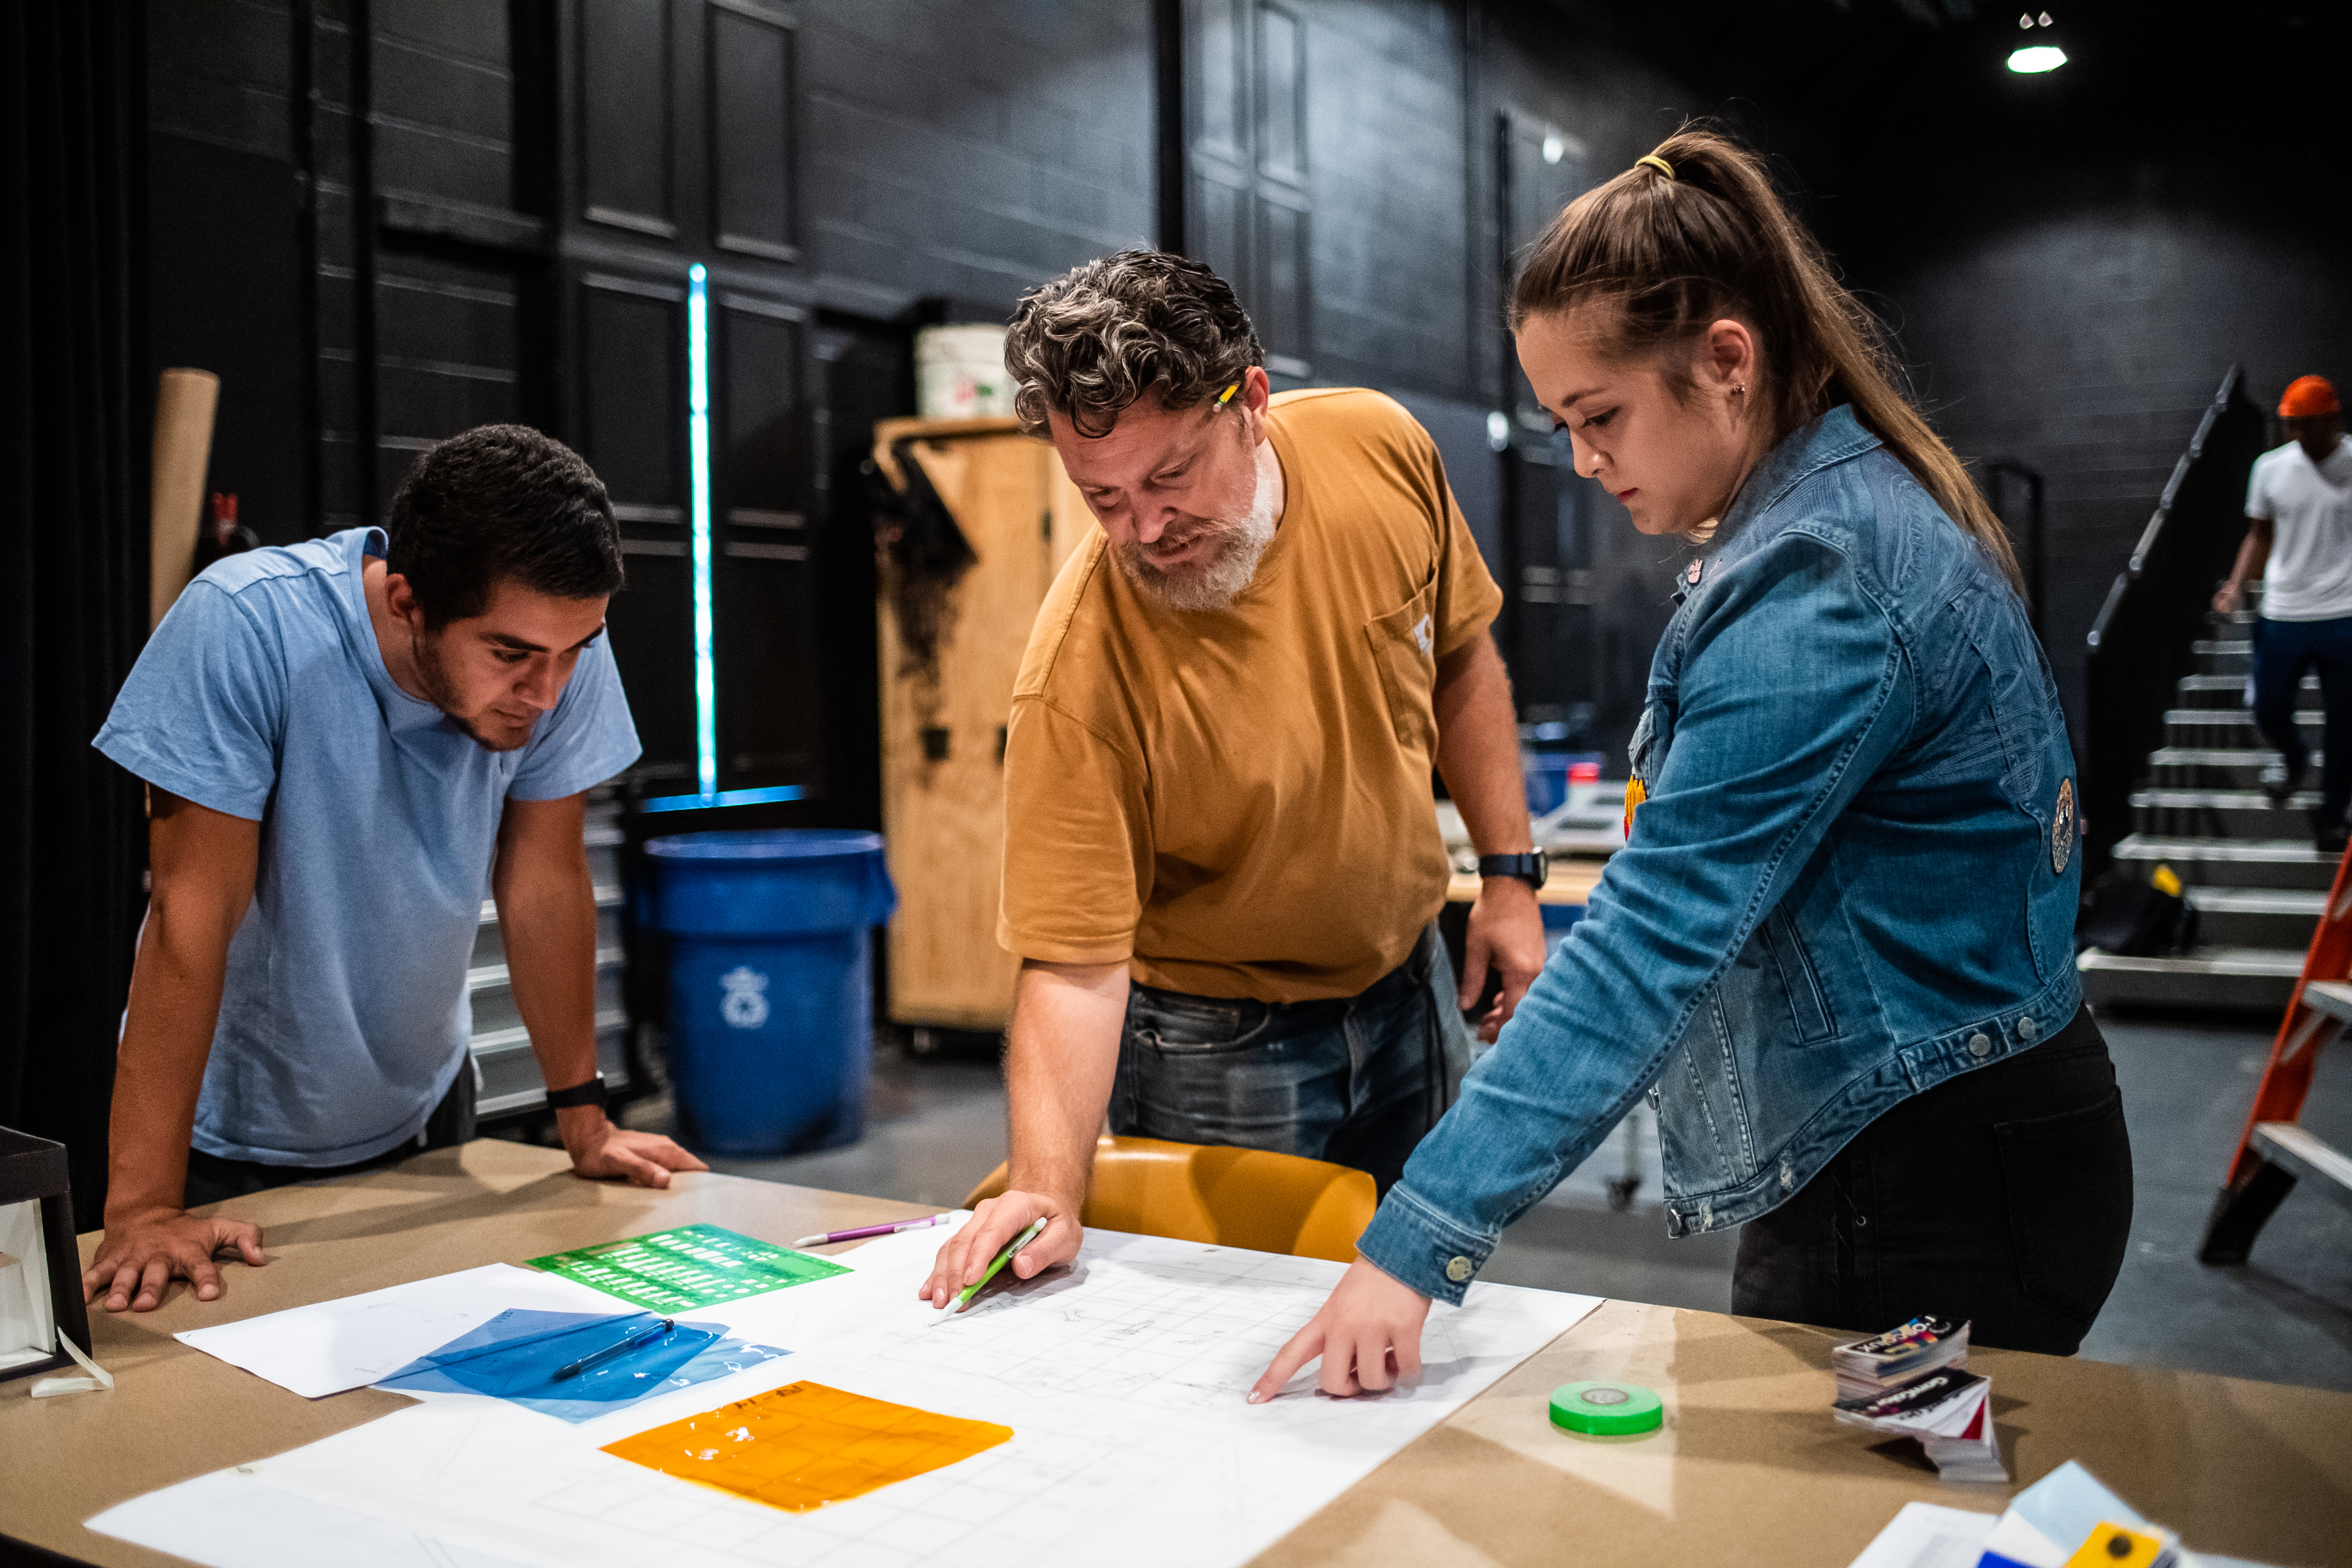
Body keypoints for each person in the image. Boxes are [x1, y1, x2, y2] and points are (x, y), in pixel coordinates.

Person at [1255, 131, 2133, 1401]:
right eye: (1558, 421)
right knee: (1853, 1512)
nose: (1580, 459)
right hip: (1920, 1141)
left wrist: (1416, 1236)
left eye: (1597, 415)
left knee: (1849, 1524)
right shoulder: (1832, 517)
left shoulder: (1818, 578)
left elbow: (1649, 937)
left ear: (1726, 360)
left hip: (1928, 1183)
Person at [919, 252, 1547, 1309]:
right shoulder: (1079, 675)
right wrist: (1045, 1186)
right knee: (1242, 1345)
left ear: (1249, 401)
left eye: (1167, 478)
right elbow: (1072, 965)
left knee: (1431, 1305)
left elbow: (1463, 660)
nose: (1142, 530)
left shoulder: (1378, 447)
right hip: (1220, 1044)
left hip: (1409, 985)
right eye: (1099, 497)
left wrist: (1510, 877)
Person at [84, 425, 705, 1315]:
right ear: (410, 601)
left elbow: (543, 884)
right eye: (512, 655)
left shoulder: (556, 642)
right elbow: (190, 918)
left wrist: (585, 1119)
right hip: (235, 1142)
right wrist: (144, 1206)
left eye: (577, 650)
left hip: (430, 1110)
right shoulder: (250, 626)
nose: (550, 690)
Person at [2213, 375, 2352, 854]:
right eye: (2291, 426)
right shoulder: (2270, 469)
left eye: (2308, 426)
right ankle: (2295, 759)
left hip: (2344, 612)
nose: (2299, 435)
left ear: (2333, 419)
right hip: (2283, 610)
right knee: (2268, 707)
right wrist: (2235, 588)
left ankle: (2332, 815)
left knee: (2344, 724)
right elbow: (2260, 535)